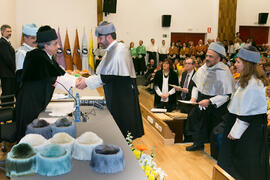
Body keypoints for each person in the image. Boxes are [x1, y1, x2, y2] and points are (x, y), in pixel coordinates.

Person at [76, 21, 144, 139]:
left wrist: (86, 82)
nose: (98, 41)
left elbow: (107, 76)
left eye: (100, 38)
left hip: (122, 100)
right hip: (118, 96)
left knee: (122, 135)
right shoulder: (113, 49)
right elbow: (105, 73)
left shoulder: (119, 50)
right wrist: (87, 79)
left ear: (108, 36)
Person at [218, 46, 269, 180]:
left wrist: (234, 132)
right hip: (239, 125)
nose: (235, 65)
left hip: (248, 131)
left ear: (247, 64)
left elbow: (248, 113)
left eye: (238, 62)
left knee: (245, 165)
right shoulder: (245, 80)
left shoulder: (254, 84)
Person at [15, 25, 66, 140]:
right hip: (29, 103)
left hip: (37, 100)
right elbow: (55, 77)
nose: (58, 46)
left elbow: (59, 72)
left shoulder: (48, 56)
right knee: (28, 137)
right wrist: (76, 82)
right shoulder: (36, 56)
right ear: (46, 45)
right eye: (55, 43)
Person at [185, 42, 235, 151]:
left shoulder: (224, 72)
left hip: (216, 106)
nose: (207, 58)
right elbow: (196, 85)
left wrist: (210, 101)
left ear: (219, 58)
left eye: (210, 56)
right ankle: (198, 144)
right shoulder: (203, 68)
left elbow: (226, 95)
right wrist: (194, 97)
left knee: (214, 130)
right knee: (195, 120)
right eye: (207, 55)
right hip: (201, 100)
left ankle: (215, 153)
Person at [15, 23, 38, 89]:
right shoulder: (21, 52)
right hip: (26, 89)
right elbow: (21, 75)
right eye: (33, 38)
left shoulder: (35, 50)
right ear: (25, 38)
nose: (35, 40)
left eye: (36, 37)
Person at [0, 24, 16, 103]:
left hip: (9, 73)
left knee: (9, 93)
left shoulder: (6, 42)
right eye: (7, 31)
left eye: (10, 31)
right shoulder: (2, 43)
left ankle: (9, 110)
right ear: (2, 32)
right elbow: (7, 59)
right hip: (6, 73)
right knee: (7, 94)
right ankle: (6, 112)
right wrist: (15, 68)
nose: (10, 33)